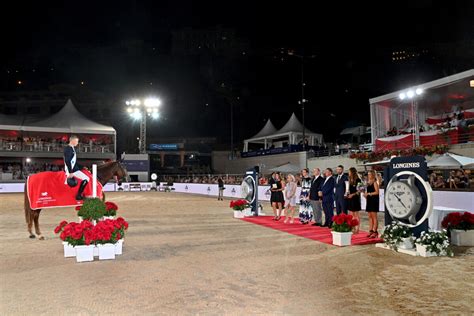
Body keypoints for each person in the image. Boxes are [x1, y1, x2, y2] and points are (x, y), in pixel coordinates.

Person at [64, 135, 90, 200]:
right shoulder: (68, 149)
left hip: (74, 169)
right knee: (86, 178)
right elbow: (67, 161)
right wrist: (70, 172)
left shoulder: (72, 148)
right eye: (77, 141)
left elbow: (74, 162)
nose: (77, 143)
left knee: (86, 178)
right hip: (72, 170)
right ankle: (78, 195)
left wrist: (83, 167)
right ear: (72, 140)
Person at [364, 170, 380, 238]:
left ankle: (375, 231)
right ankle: (370, 230)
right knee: (370, 216)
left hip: (374, 200)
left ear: (373, 175)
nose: (369, 175)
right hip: (369, 200)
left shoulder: (375, 182)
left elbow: (377, 192)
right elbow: (367, 192)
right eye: (368, 174)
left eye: (370, 174)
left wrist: (369, 194)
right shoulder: (368, 183)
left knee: (374, 217)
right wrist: (365, 195)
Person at [347, 167, 362, 233]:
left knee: (356, 215)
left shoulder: (358, 180)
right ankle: (352, 228)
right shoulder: (349, 180)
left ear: (352, 172)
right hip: (350, 199)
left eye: (349, 171)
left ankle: (357, 229)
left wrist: (352, 195)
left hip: (355, 199)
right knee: (351, 214)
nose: (348, 173)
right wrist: (347, 194)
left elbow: (360, 190)